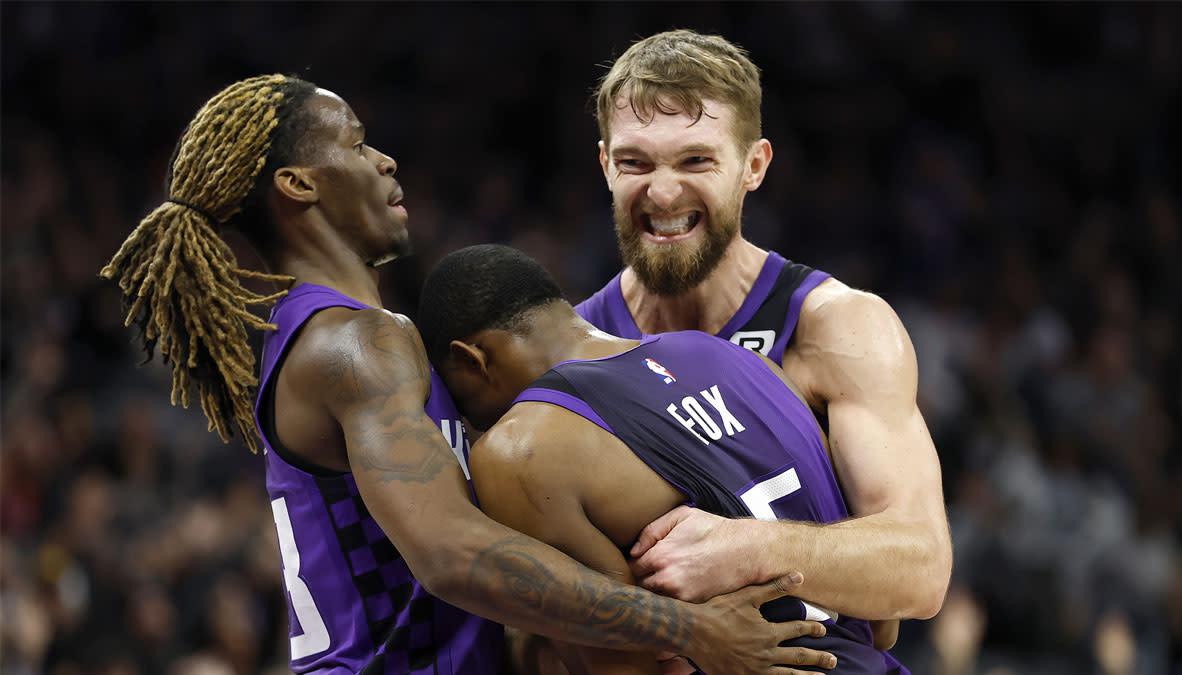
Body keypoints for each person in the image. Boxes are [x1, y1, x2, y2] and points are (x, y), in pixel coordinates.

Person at [98, 74, 833, 674]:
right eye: (355, 144)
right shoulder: (354, 342)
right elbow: (451, 555)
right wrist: (692, 627)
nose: (383, 159)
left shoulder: (341, 336)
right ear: (297, 184)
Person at [576, 29, 953, 629]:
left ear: (754, 165)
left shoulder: (835, 326)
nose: (663, 189)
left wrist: (749, 549)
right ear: (605, 165)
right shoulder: (572, 354)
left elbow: (922, 567)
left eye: (696, 159)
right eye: (634, 162)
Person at [418, 243, 909, 674]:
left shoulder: (516, 449)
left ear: (470, 361)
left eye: (463, 405)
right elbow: (884, 625)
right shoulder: (743, 360)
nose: (477, 423)